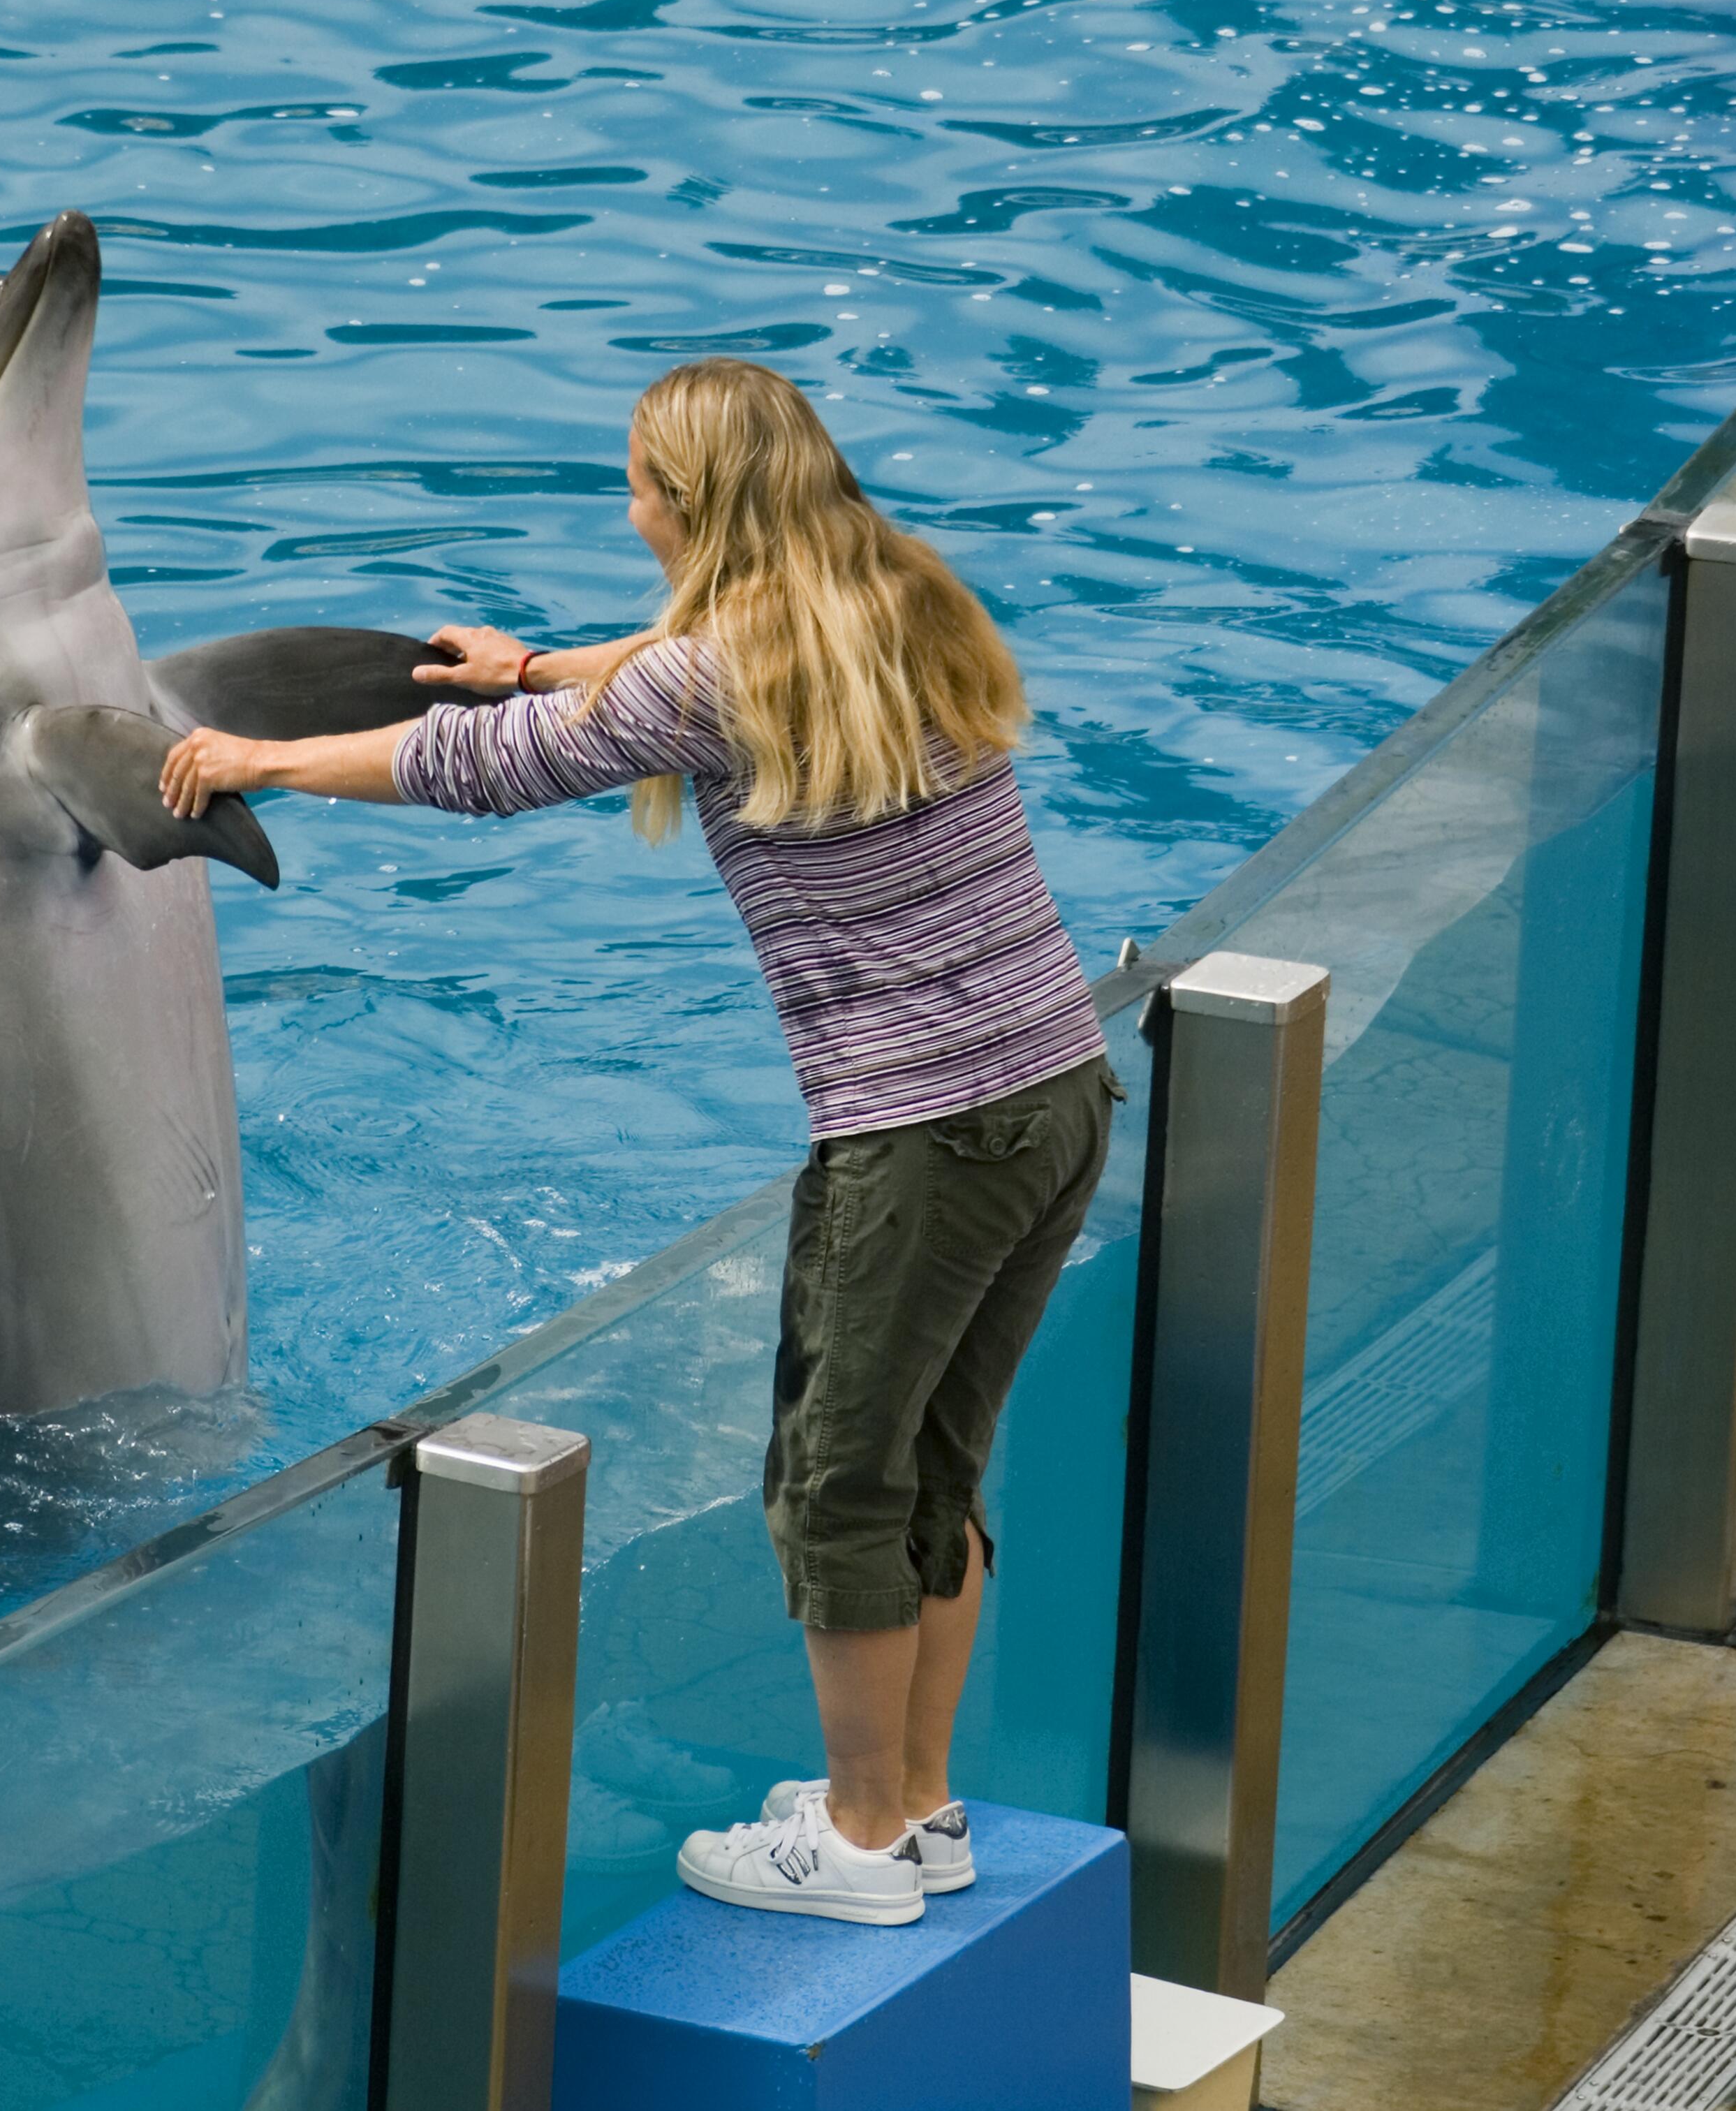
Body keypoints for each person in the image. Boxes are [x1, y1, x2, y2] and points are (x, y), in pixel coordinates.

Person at [159, 358, 1115, 1929]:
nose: (630, 506)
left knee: (838, 1489)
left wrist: (263, 765)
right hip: (1049, 1093)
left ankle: (862, 1841)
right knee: (935, 1467)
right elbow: (692, 659)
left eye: (643, 485)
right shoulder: (895, 588)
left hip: (926, 1134)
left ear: (694, 506)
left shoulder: (714, 676)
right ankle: (921, 1806)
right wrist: (539, 661)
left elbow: (486, 776)